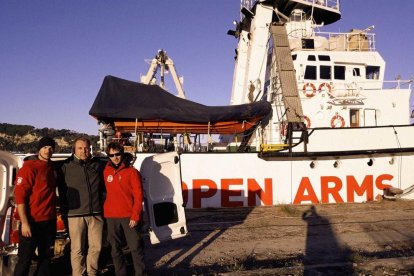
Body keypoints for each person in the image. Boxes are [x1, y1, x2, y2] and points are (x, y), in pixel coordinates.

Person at [58, 137, 106, 276]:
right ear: (74, 150)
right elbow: (60, 190)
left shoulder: (97, 165)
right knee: (77, 249)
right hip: (75, 215)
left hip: (96, 214)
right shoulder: (65, 166)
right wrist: (64, 209)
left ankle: (92, 273)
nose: (84, 150)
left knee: (96, 247)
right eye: (80, 148)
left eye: (86, 148)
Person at [13, 137, 57, 276]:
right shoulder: (29, 167)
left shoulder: (52, 168)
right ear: (39, 149)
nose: (47, 151)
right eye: (44, 147)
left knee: (45, 259)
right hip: (32, 222)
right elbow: (20, 197)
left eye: (50, 148)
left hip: (49, 221)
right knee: (25, 260)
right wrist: (25, 223)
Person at [104, 142, 145, 276]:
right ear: (108, 156)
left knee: (135, 247)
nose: (115, 157)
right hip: (111, 216)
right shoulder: (106, 171)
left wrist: (135, 215)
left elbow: (139, 196)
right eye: (111, 155)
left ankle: (140, 273)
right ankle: (120, 273)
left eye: (117, 154)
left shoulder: (132, 172)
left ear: (122, 154)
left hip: (128, 216)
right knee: (115, 249)